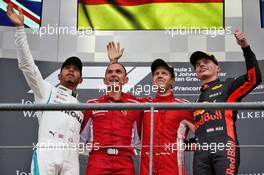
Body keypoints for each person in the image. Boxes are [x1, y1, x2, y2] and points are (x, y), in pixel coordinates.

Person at [7, 4, 84, 175]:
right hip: (48, 150)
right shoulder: (46, 90)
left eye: (76, 69)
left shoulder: (81, 107)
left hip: (72, 157)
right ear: (59, 76)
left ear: (81, 79)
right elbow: (27, 65)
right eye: (67, 67)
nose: (71, 70)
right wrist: (20, 29)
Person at [108, 44, 195, 174]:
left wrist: (182, 145)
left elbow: (204, 134)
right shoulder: (143, 104)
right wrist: (113, 62)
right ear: (153, 81)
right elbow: (116, 94)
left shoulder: (183, 106)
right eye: (156, 74)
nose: (159, 76)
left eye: (164, 73)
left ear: (172, 81)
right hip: (147, 171)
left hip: (173, 171)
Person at [189, 30, 262, 175]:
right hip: (201, 153)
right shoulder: (196, 100)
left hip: (224, 147)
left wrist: (245, 47)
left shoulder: (228, 86)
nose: (201, 65)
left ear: (218, 68)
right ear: (196, 73)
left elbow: (253, 78)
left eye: (206, 62)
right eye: (197, 64)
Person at [80, 44, 142, 174]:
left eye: (118, 72)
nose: (113, 74)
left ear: (126, 80)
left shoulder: (136, 104)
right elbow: (80, 139)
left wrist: (113, 62)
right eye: (110, 72)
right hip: (98, 161)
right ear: (104, 80)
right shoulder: (91, 105)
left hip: (124, 162)